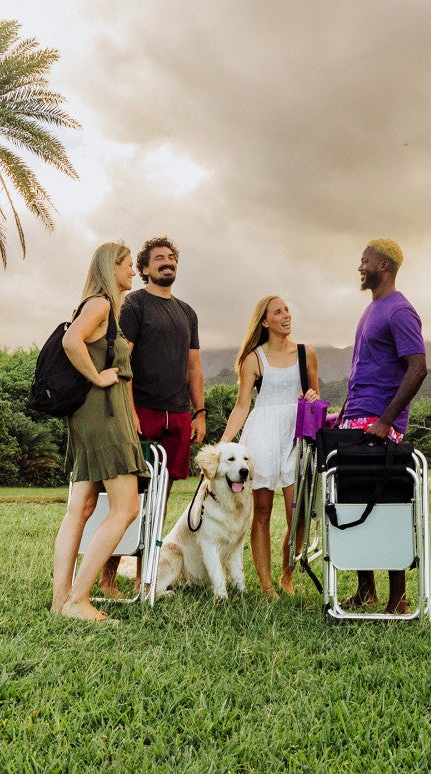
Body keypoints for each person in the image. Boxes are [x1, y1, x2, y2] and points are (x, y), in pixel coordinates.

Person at [99, 235, 203, 597]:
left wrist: (199, 412)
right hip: (140, 410)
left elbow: (194, 366)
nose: (167, 262)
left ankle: (147, 579)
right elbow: (122, 359)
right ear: (144, 268)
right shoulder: (135, 305)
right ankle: (108, 579)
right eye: (159, 258)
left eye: (172, 257)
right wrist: (129, 412)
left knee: (160, 498)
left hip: (178, 414)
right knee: (131, 497)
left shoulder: (187, 312)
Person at [50, 242, 142, 623]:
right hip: (102, 416)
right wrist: (96, 375)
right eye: (128, 266)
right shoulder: (100, 303)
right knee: (126, 508)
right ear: (112, 267)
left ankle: (61, 601)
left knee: (82, 508)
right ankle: (77, 600)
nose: (133, 273)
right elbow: (71, 340)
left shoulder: (102, 306)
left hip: (94, 414)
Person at [335, 238, 427, 615]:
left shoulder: (399, 311)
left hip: (379, 425)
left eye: (365, 260)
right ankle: (366, 590)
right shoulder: (371, 309)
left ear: (383, 266)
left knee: (385, 505)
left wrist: (385, 421)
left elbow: (418, 368)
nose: (360, 266)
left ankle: (398, 599)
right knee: (354, 502)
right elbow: (361, 371)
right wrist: (341, 416)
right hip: (355, 420)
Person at [218, 295, 320, 595]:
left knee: (298, 512)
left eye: (287, 309)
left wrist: (313, 400)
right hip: (262, 434)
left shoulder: (306, 353)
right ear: (265, 321)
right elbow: (241, 406)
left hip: (295, 436)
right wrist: (224, 443)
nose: (286, 315)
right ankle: (265, 585)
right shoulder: (254, 358)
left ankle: (286, 575)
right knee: (261, 512)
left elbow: (315, 397)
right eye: (278, 312)